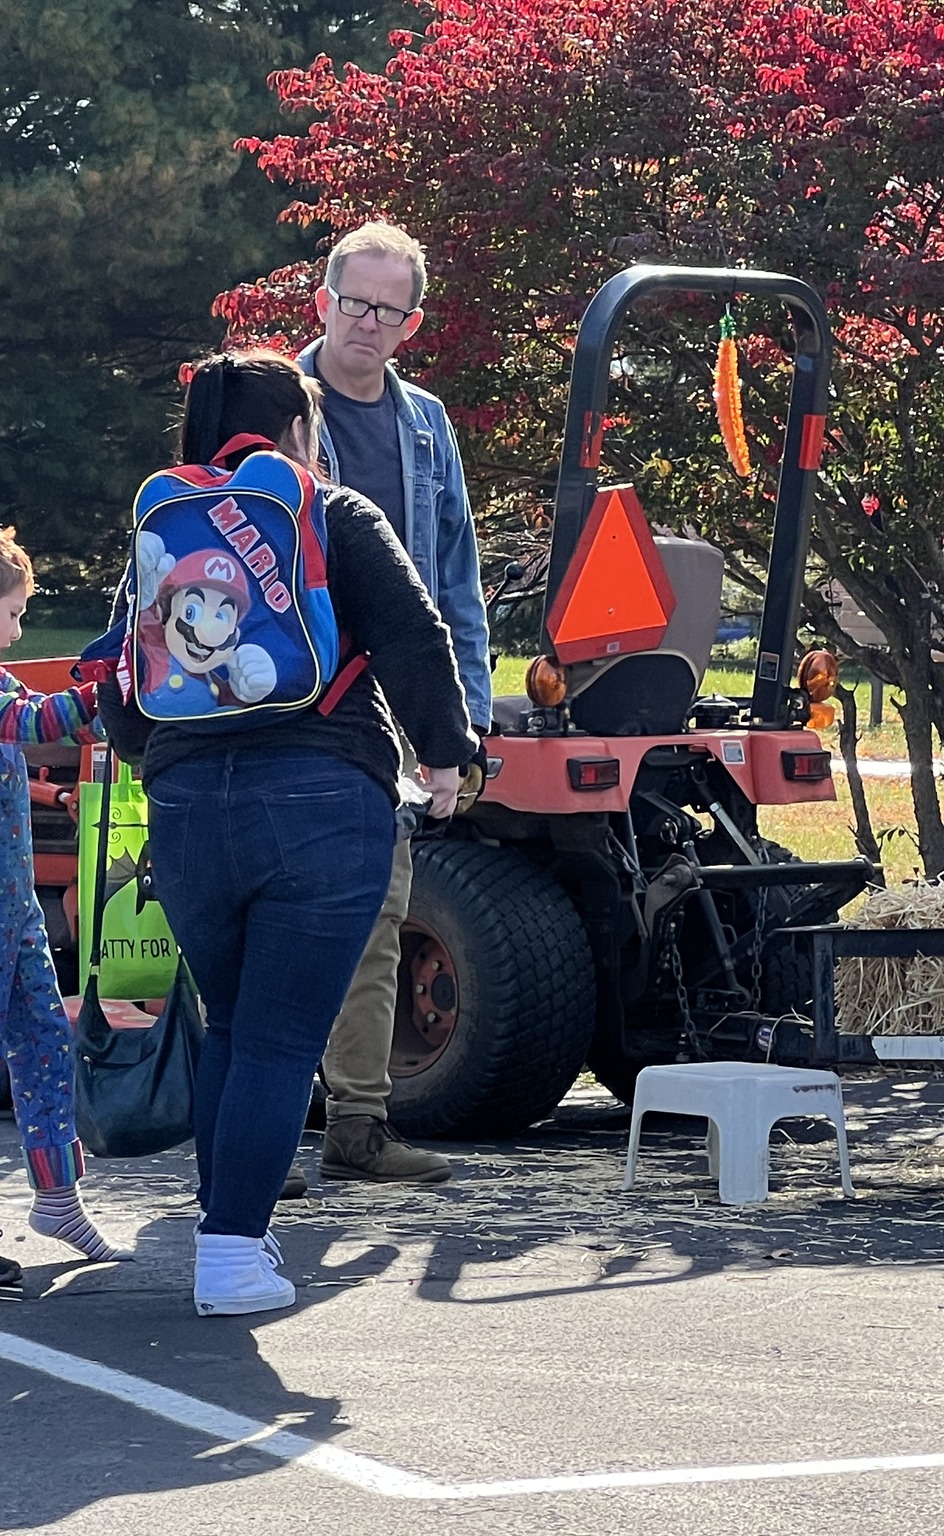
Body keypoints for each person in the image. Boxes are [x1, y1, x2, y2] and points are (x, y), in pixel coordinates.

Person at [98, 352, 475, 1317]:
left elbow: (126, 693)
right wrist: (447, 755)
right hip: (320, 798)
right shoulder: (334, 513)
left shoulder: (164, 529)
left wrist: (168, 762)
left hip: (188, 814)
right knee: (277, 1039)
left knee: (234, 1026)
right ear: (299, 429)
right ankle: (229, 1258)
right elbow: (413, 635)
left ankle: (229, 1229)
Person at [297, 220, 492, 1186]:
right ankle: (258, 1123)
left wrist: (463, 719)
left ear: (411, 324)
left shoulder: (425, 425)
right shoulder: (270, 403)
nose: (369, 323)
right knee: (272, 913)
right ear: (322, 300)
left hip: (385, 696)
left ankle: (360, 1124)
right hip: (281, 698)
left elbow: (452, 581)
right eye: (355, 302)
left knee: (382, 909)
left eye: (390, 309)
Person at [0, 534, 127, 1284]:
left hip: (14, 912)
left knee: (47, 1036)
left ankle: (57, 1195)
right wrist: (105, 687)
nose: (17, 632)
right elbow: (34, 726)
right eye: (11, 615)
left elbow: (44, 718)